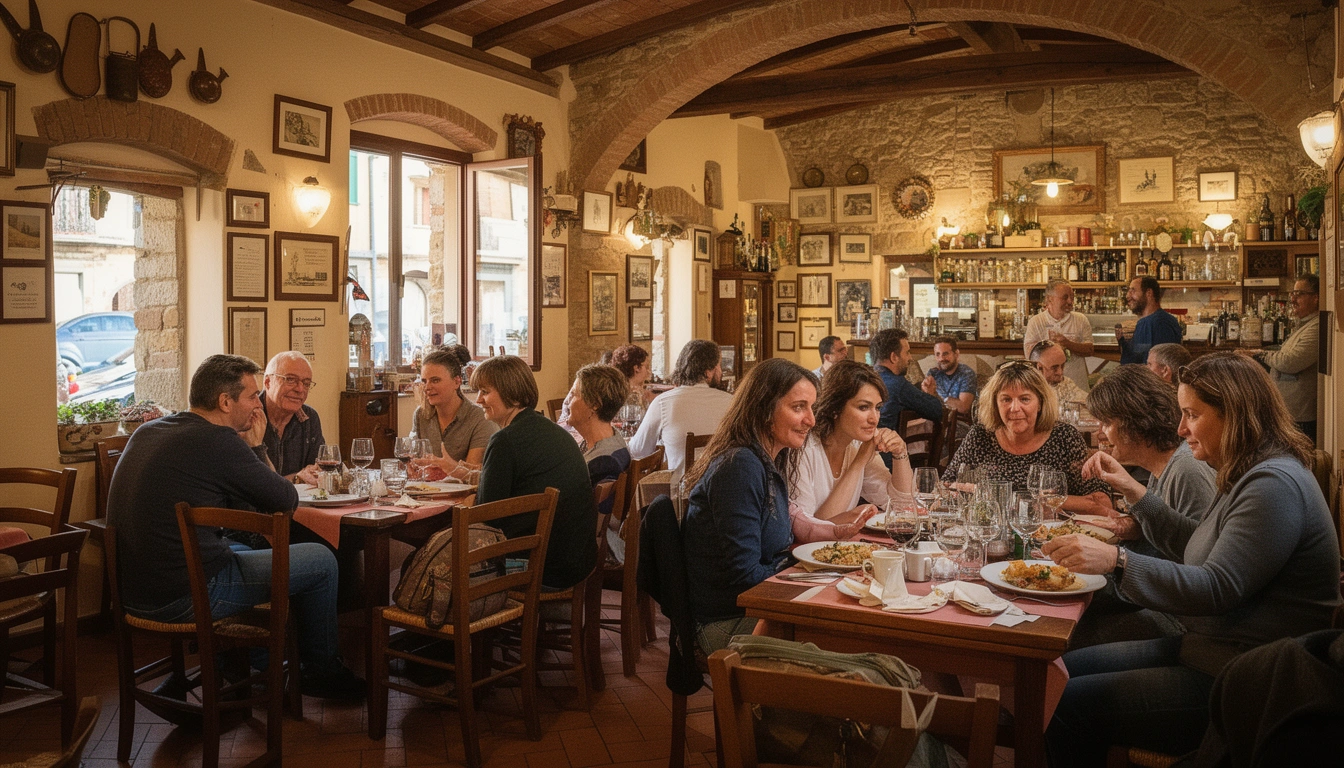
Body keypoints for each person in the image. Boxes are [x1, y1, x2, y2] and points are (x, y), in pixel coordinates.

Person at [1044, 353, 1340, 764]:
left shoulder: (1273, 485)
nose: (1181, 429)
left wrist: (1117, 561)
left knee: (1065, 701)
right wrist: (1138, 495)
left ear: (1234, 413)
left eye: (1192, 415)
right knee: (1056, 672)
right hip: (1208, 649)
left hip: (1248, 678)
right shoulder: (1245, 469)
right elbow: (1197, 543)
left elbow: (1216, 588)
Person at [106, 354, 364, 700]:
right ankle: (321, 672)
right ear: (225, 402)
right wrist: (257, 447)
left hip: (133, 593)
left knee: (244, 548)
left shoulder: (151, 429)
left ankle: (251, 660)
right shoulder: (219, 441)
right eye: (251, 396)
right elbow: (284, 498)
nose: (257, 404)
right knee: (321, 561)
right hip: (185, 596)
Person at [1067, 365, 1217, 648]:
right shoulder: (1167, 466)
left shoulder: (1187, 470)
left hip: (1177, 621)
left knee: (1064, 633)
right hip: (1153, 601)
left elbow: (1199, 562)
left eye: (1106, 423)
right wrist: (1137, 526)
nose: (1100, 433)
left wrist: (1116, 556)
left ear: (1136, 421)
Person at [681, 359, 815, 654]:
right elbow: (746, 577)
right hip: (726, 624)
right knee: (843, 638)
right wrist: (803, 565)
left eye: (811, 407)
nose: (811, 420)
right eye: (799, 407)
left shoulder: (764, 461)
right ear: (764, 409)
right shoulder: (739, 467)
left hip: (754, 612)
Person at [472, 355, 596, 591]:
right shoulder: (554, 430)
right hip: (578, 561)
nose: (478, 399)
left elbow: (485, 519)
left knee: (425, 562)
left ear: (512, 393)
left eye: (485, 391)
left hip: (540, 570)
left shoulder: (504, 440)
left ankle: (459, 626)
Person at [941, 362, 1111, 515]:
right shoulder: (981, 435)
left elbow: (1102, 502)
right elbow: (945, 488)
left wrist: (1033, 502)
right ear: (995, 404)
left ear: (1040, 403)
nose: (1015, 408)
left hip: (1052, 536)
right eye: (1006, 399)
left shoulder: (1064, 437)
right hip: (991, 535)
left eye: (1025, 399)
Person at [791, 361, 911, 541]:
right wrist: (858, 463)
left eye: (877, 408)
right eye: (864, 407)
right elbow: (810, 530)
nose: (874, 418)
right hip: (801, 557)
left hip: (837, 551)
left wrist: (900, 453)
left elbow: (902, 508)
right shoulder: (803, 449)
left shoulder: (857, 444)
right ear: (834, 409)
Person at [628, 339, 733, 485]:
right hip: (725, 495)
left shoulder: (664, 402)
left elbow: (638, 451)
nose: (721, 372)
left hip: (680, 500)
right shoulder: (733, 403)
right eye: (719, 366)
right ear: (708, 373)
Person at [1238, 273, 1319, 441]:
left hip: (1300, 417)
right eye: (1293, 294)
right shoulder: (1305, 325)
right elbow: (1283, 353)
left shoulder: (1316, 327)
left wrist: (1260, 355)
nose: (1293, 299)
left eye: (1299, 294)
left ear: (1316, 298)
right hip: (1289, 413)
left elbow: (1289, 361)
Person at [410, 344, 496, 480]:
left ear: (457, 381)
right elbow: (414, 460)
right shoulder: (421, 415)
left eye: (435, 380)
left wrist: (439, 469)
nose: (427, 387)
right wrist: (411, 466)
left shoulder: (480, 419)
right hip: (427, 492)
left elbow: (471, 475)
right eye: (424, 381)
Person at [870, 328, 942, 468]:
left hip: (859, 456)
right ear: (894, 357)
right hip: (885, 462)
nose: (910, 358)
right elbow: (937, 410)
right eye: (907, 352)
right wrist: (930, 393)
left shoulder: (864, 379)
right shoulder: (897, 384)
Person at [258, 351, 324, 484]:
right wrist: (295, 479)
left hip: (301, 503)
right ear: (267, 382)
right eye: (290, 380)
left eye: (306, 383)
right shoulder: (249, 417)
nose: (300, 389)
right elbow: (251, 483)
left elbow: (318, 469)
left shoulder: (309, 418)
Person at [1023, 278, 1094, 391]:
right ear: (1049, 299)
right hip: (1047, 388)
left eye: (1072, 297)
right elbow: (1029, 355)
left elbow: (1090, 350)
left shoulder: (1081, 319)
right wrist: (1051, 349)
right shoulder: (1036, 322)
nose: (1070, 301)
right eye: (1065, 297)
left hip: (1077, 385)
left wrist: (1067, 344)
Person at [568, 363, 632, 485]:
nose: (569, 403)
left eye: (574, 395)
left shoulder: (603, 463)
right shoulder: (614, 438)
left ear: (595, 405)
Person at [1117, 276, 1183, 365]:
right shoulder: (1148, 321)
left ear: (1149, 293)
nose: (1128, 296)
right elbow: (1140, 353)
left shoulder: (1159, 323)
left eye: (1133, 291)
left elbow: (1159, 366)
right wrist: (1122, 341)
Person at [920, 336, 976, 416]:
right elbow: (925, 403)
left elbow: (963, 407)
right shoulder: (933, 373)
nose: (941, 358)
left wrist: (937, 395)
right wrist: (923, 391)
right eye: (938, 354)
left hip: (958, 423)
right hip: (934, 419)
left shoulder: (967, 374)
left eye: (945, 354)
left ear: (956, 354)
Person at [1030, 341, 1087, 409]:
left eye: (1062, 366)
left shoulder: (1065, 383)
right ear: (1039, 368)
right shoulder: (1026, 389)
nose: (1060, 372)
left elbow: (1089, 401)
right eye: (1054, 368)